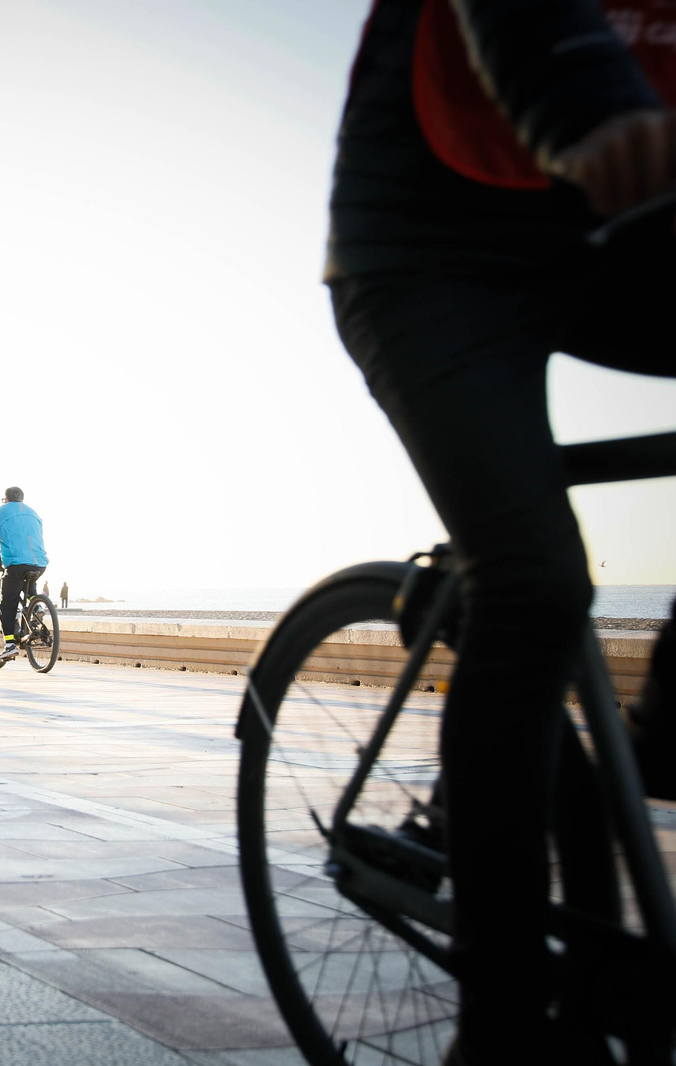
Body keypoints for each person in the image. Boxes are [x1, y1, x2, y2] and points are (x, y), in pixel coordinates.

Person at [325, 3, 676, 1060]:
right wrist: (587, 99)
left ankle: (659, 723)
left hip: (613, 218)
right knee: (534, 581)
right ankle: (504, 1025)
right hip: (431, 242)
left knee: (526, 598)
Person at [0, 487, 48, 662]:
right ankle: (36, 606)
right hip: (40, 563)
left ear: (6, 499)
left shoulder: (2, 511)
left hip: (16, 564)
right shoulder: (33, 512)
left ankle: (10, 645)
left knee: (7, 604)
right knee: (28, 584)